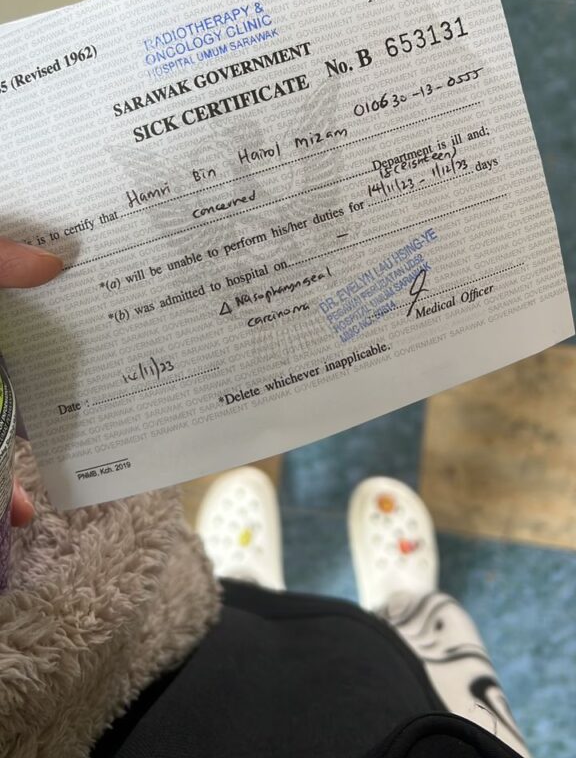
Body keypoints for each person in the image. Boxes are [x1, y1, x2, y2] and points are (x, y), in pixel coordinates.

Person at [2, 237, 530, 758]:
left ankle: (241, 585)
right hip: (371, 721)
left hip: (165, 681)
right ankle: (411, 609)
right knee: (423, 671)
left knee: (239, 614)